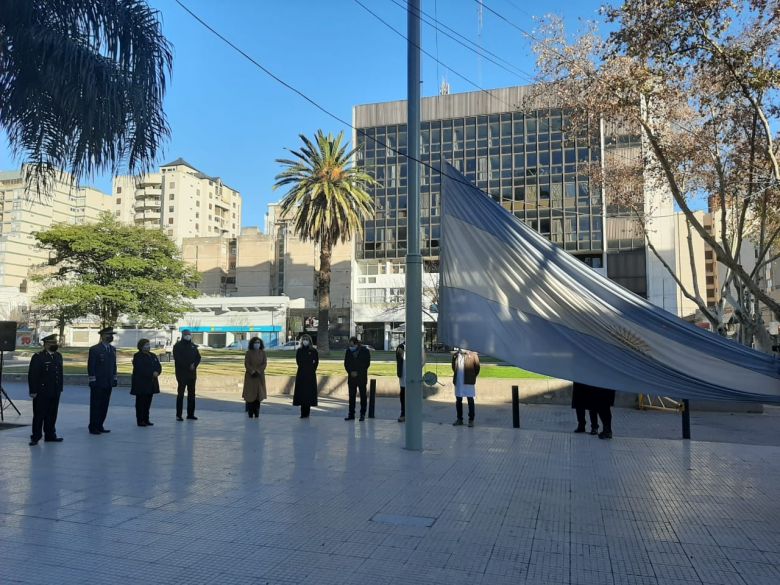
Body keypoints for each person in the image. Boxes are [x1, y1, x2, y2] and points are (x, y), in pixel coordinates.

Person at [28, 334, 64, 445]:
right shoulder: (38, 357)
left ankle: (50, 435)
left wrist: (60, 387)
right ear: (46, 344)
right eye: (52, 343)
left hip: (55, 390)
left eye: (55, 342)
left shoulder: (58, 356)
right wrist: (33, 391)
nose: (55, 344)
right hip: (42, 391)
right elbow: (33, 375)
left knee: (52, 414)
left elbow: (60, 373)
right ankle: (36, 436)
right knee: (39, 415)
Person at [88, 327, 117, 435]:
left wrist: (114, 378)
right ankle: (93, 426)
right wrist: (92, 380)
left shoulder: (112, 349)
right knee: (96, 405)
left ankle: (100, 425)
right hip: (98, 382)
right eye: (109, 334)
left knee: (104, 405)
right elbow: (91, 366)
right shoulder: (95, 349)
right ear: (103, 335)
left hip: (108, 382)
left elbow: (114, 365)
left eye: (112, 334)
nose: (111, 336)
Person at [130, 338, 161, 427]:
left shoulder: (153, 355)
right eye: (146, 345)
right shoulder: (137, 356)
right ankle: (140, 420)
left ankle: (146, 419)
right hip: (141, 383)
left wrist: (157, 372)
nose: (148, 346)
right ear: (141, 346)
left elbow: (158, 365)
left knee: (148, 402)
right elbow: (140, 368)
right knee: (141, 402)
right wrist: (151, 373)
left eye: (148, 345)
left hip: (151, 382)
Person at [173, 328, 201, 421]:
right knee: (181, 394)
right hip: (182, 374)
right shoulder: (177, 346)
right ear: (183, 335)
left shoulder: (193, 346)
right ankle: (179, 415)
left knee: (192, 394)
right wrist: (188, 366)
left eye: (189, 334)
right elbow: (178, 359)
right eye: (186, 334)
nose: (188, 336)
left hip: (192, 374)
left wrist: (194, 365)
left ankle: (190, 414)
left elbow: (198, 357)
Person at [344, 336, 371, 421]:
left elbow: (367, 364)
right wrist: (350, 372)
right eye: (350, 345)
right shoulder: (348, 351)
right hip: (351, 378)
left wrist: (358, 372)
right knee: (351, 396)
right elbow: (346, 363)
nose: (351, 347)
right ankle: (351, 414)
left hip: (361, 377)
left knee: (363, 395)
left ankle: (362, 414)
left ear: (356, 343)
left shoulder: (365, 351)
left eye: (352, 345)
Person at [452, 347, 480, 427]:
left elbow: (477, 368)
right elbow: (454, 367)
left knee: (470, 400)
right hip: (459, 381)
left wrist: (471, 376)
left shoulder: (473, 355)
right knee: (458, 400)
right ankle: (459, 419)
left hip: (469, 381)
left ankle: (471, 420)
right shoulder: (456, 355)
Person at [293, 334, 318, 418]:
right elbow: (298, 361)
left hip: (310, 374)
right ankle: (302, 413)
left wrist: (311, 369)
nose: (305, 341)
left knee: (308, 393)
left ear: (310, 341)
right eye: (304, 339)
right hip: (301, 374)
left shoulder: (314, 351)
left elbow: (316, 362)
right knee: (302, 393)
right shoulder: (299, 350)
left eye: (307, 339)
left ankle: (307, 412)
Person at [242, 337, 267, 418]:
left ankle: (257, 412)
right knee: (250, 395)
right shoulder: (248, 353)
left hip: (259, 377)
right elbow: (247, 363)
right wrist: (252, 371)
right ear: (252, 344)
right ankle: (250, 412)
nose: (257, 344)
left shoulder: (263, 353)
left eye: (258, 342)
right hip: (250, 377)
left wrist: (258, 371)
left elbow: (264, 363)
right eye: (255, 342)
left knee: (258, 396)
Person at [396, 341, 406, 422]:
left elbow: (422, 361)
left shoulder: (417, 346)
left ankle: (412, 414)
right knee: (403, 394)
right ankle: (403, 413)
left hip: (414, 376)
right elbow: (398, 360)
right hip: (403, 375)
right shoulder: (400, 347)